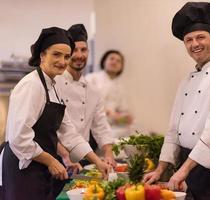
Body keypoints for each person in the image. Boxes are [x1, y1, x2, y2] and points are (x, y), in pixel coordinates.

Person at [143, 2, 210, 200]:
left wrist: (183, 170)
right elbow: (174, 128)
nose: (194, 44)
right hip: (189, 164)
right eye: (188, 39)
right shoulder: (187, 80)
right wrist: (160, 169)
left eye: (200, 37)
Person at [0, 27, 110, 200]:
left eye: (67, 56)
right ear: (42, 55)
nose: (63, 61)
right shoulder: (32, 85)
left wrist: (97, 161)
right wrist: (51, 161)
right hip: (23, 165)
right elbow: (19, 138)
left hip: (39, 164)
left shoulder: (53, 85)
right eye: (56, 54)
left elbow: (68, 132)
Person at [55, 24, 116, 170]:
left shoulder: (93, 91)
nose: (79, 55)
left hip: (83, 158)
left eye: (83, 50)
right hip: (55, 158)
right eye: (74, 50)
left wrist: (109, 153)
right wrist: (64, 155)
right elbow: (47, 130)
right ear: (67, 53)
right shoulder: (54, 84)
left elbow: (100, 126)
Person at [85, 50, 133, 137]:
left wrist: (125, 117)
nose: (114, 62)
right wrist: (108, 112)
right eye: (112, 59)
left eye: (118, 61)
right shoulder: (91, 78)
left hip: (111, 125)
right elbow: (84, 102)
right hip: (91, 124)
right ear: (104, 61)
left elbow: (123, 109)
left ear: (121, 67)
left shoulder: (120, 86)